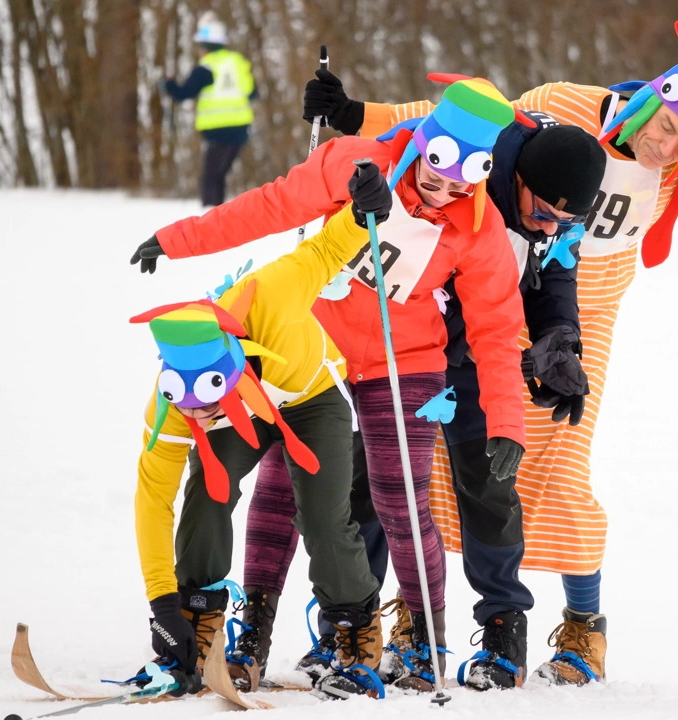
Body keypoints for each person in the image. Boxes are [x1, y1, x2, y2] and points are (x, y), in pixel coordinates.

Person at [308, 20, 678, 686]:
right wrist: (354, 116)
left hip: (578, 321)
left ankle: (584, 628)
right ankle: (412, 615)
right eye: (663, 127)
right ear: (646, 100)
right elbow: (460, 120)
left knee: (557, 470)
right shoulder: (569, 105)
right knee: (436, 460)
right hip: (484, 300)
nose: (665, 146)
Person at [130, 74, 528, 695]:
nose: (443, 189)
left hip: (408, 359)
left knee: (401, 500)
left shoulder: (479, 228)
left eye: (461, 182)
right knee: (283, 487)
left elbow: (498, 330)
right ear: (424, 142)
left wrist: (505, 421)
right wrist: (179, 240)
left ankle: (421, 641)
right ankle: (252, 631)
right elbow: (268, 207)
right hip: (321, 351)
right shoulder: (355, 163)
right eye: (435, 170)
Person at [251, 80, 608, 689]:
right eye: (543, 212)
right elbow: (416, 120)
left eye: (565, 220)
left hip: (476, 352)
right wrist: (350, 112)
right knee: (369, 481)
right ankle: (355, 625)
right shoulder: (477, 153)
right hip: (407, 344)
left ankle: (502, 630)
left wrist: (560, 341)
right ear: (513, 173)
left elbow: (556, 273)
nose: (550, 227)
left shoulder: (558, 211)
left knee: (489, 482)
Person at [129, 169, 391, 698]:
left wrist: (362, 213)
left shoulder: (271, 292)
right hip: (244, 418)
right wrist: (162, 605)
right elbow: (152, 499)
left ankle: (353, 625)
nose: (196, 417)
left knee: (322, 514)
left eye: (208, 403)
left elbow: (321, 252)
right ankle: (196, 619)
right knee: (207, 490)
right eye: (189, 407)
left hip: (310, 398)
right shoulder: (174, 400)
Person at [163, 12, 258, 208]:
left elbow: (184, 93)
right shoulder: (237, 62)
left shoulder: (206, 68)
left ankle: (209, 217)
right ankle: (218, 214)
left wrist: (168, 85)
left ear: (205, 47)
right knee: (219, 175)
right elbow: (252, 93)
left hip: (217, 130)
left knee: (210, 177)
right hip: (240, 129)